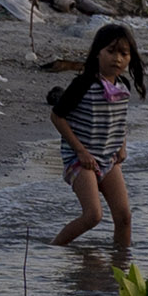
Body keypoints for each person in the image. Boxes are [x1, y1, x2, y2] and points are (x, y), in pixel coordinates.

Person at [47, 23, 141, 249]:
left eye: (123, 54)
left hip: (108, 158)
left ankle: (121, 262)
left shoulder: (123, 86)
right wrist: (81, 151)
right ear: (97, 52)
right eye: (111, 51)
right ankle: (52, 249)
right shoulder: (84, 84)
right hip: (80, 160)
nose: (117, 59)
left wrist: (122, 146)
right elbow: (57, 117)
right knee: (93, 216)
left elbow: (119, 120)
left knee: (124, 217)